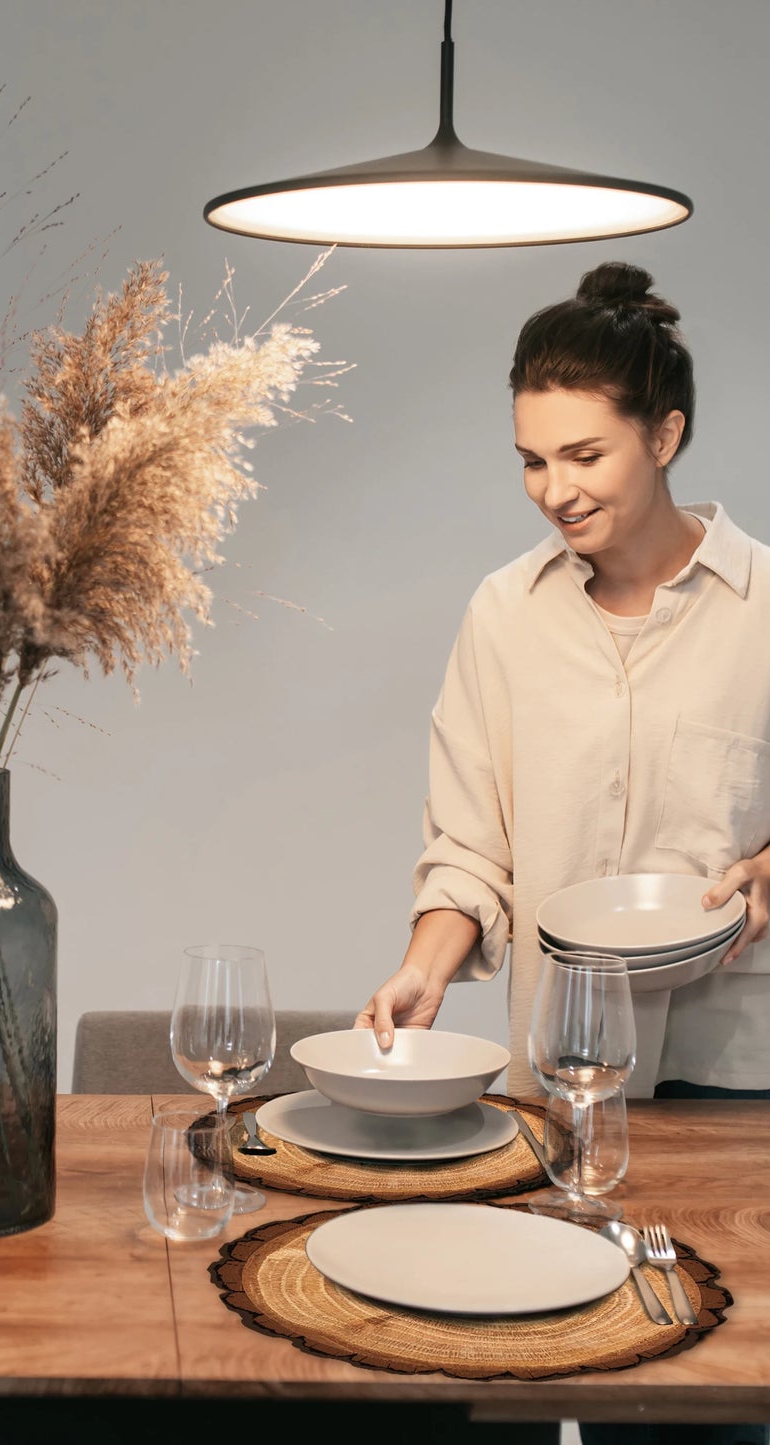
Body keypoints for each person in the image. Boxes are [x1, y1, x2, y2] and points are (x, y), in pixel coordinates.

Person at [356, 261, 770, 1445]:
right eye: (532, 460)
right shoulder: (503, 613)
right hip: (568, 1075)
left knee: (715, 1391)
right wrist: (425, 963)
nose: (552, 489)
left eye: (583, 455)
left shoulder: (762, 607)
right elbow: (469, 844)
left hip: (735, 1073)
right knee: (529, 1373)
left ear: (666, 433)